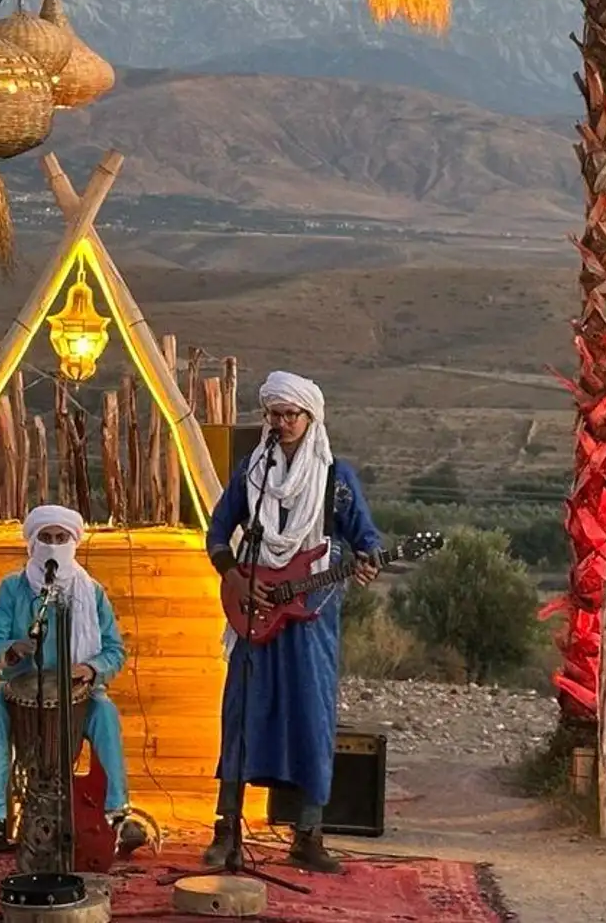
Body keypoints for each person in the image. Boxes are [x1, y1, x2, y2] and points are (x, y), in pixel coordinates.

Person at [204, 371, 381, 875]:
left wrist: (367, 556)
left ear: (310, 418)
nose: (281, 423)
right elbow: (219, 530)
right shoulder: (249, 474)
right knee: (241, 712)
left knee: (312, 716)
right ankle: (227, 829)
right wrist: (235, 576)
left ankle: (308, 834)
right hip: (255, 612)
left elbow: (366, 535)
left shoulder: (335, 479)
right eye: (274, 414)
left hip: (312, 617)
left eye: (291, 415)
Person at [0, 506, 144, 858]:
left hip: (79, 691)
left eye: (60, 538)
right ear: (32, 543)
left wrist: (92, 669)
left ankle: (116, 813)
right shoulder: (12, 589)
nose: (52, 547)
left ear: (73, 542)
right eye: (45, 538)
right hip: (18, 688)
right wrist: (11, 650)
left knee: (105, 713)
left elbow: (114, 651)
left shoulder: (91, 592)